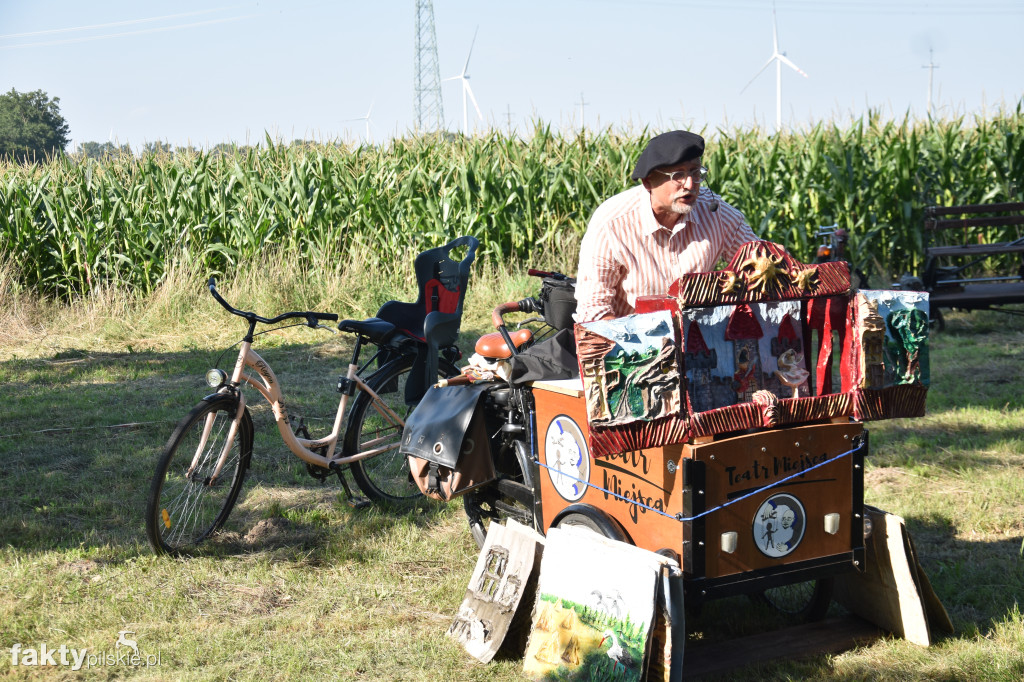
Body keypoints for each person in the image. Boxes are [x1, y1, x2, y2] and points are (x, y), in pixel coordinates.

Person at [575, 130, 758, 322]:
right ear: (648, 182)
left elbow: (759, 261)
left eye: (696, 173)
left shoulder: (715, 212)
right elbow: (593, 309)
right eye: (678, 175)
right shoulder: (612, 223)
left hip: (699, 337)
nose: (690, 184)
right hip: (633, 340)